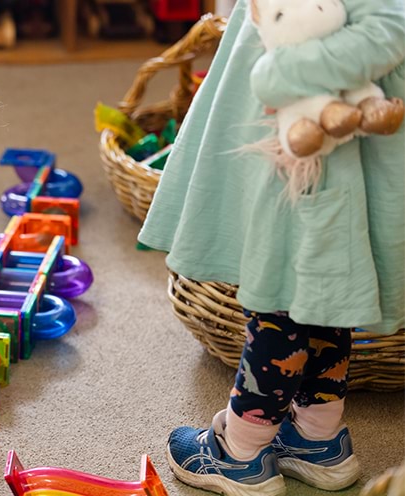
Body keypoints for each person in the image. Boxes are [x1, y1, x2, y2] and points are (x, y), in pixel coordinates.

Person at [137, 0, 405, 494]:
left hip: (316, 171)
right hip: (298, 158)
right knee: (319, 304)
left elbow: (390, 29)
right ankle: (316, 441)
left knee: (280, 306)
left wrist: (279, 71)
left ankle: (240, 453)